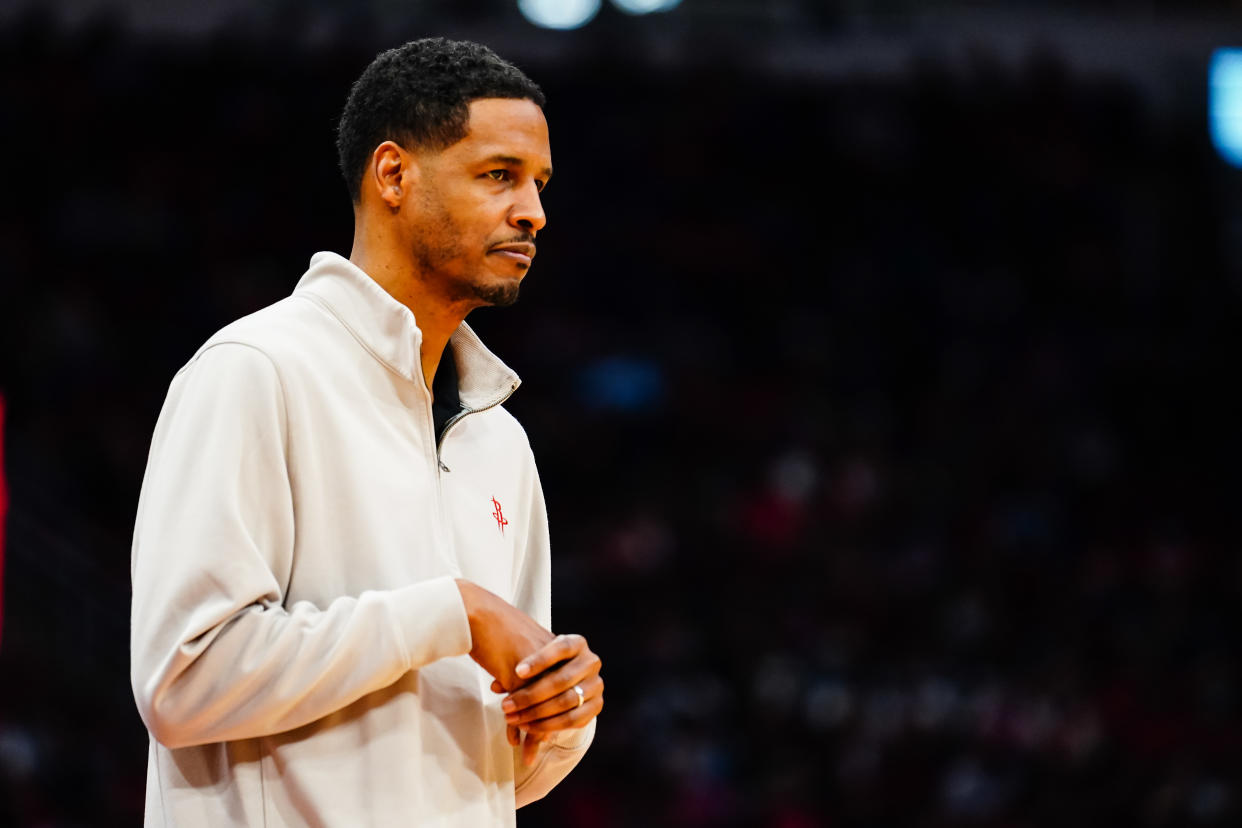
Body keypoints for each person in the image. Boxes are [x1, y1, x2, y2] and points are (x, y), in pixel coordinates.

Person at [129, 38, 602, 826]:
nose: (534, 211)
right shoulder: (254, 370)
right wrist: (453, 613)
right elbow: (183, 682)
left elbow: (494, 769)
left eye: (539, 183)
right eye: (499, 175)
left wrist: (560, 715)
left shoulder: (500, 441)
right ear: (393, 175)